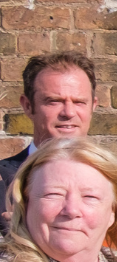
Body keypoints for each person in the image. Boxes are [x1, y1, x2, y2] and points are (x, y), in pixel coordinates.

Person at [1, 52, 98, 224]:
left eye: (79, 102)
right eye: (54, 101)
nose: (68, 112)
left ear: (93, 106)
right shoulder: (2, 182)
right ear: (28, 106)